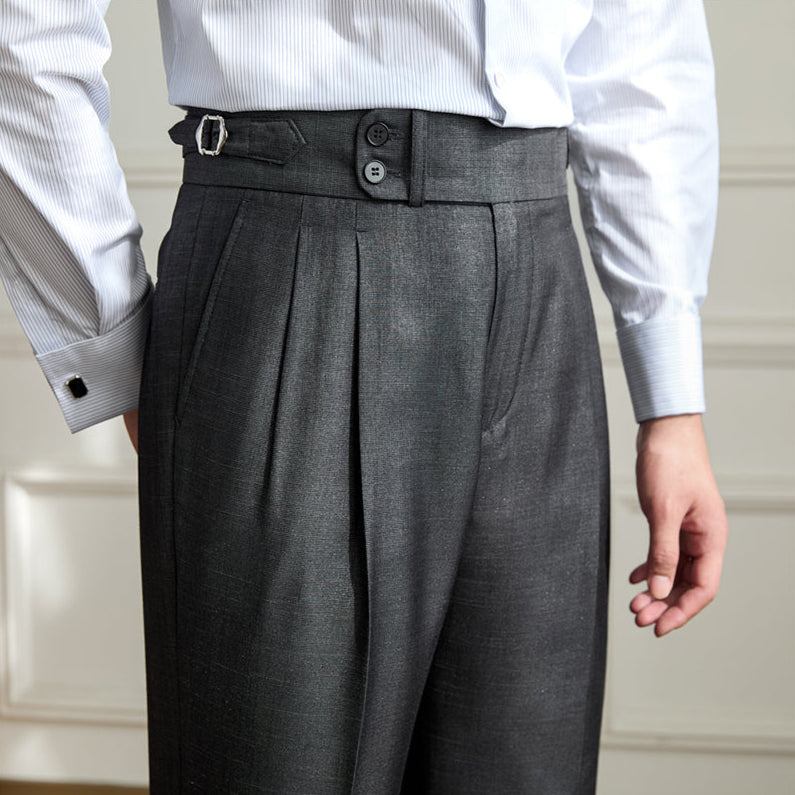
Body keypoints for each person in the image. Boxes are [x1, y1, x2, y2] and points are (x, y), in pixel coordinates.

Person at [0, 1, 728, 792]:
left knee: (527, 767)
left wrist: (672, 404)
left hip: (539, 276)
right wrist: (112, 346)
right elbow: (27, 33)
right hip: (289, 260)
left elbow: (642, 51)